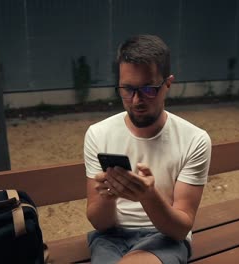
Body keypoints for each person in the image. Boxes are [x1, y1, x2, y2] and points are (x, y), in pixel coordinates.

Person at [84, 34, 212, 264]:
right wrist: (108, 195)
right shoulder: (98, 134)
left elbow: (180, 229)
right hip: (109, 238)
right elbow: (99, 223)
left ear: (168, 84)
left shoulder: (195, 139)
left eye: (148, 89)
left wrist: (148, 197)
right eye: (127, 89)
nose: (136, 100)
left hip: (164, 237)